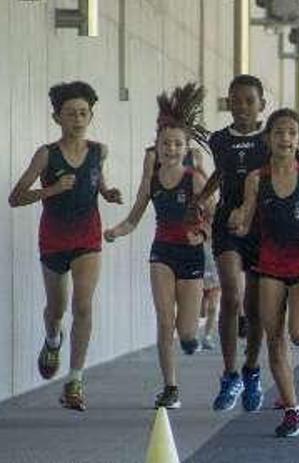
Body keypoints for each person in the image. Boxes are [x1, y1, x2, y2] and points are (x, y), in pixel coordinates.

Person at [228, 108, 299, 437]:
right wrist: (232, 222)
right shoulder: (256, 178)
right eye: (279, 132)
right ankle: (293, 410)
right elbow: (247, 223)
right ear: (268, 139)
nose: (285, 138)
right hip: (270, 265)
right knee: (274, 337)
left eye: (292, 132)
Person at [9, 81, 122, 411]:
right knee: (56, 309)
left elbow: (96, 180)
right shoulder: (47, 154)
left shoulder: (99, 151)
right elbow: (15, 198)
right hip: (54, 238)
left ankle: (74, 380)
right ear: (57, 117)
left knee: (83, 306)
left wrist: (107, 193)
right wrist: (53, 189)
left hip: (87, 236)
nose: (77, 119)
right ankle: (53, 338)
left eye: (83, 113)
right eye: (70, 113)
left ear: (91, 116)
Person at [104, 83, 210, 409]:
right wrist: (116, 231)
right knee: (165, 321)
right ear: (157, 146)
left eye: (177, 144)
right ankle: (170, 387)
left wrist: (202, 234)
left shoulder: (195, 178)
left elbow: (213, 219)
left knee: (186, 330)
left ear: (186, 146)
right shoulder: (151, 179)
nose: (171, 149)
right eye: (166, 144)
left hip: (190, 254)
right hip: (162, 252)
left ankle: (191, 338)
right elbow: (134, 217)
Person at [192, 74, 268, 412]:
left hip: (261, 226)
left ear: (261, 105)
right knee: (231, 295)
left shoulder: (270, 139)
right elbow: (222, 172)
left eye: (249, 101)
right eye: (235, 100)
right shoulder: (219, 140)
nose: (241, 107)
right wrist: (203, 197)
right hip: (226, 225)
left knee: (254, 306)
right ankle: (229, 374)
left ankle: (251, 369)